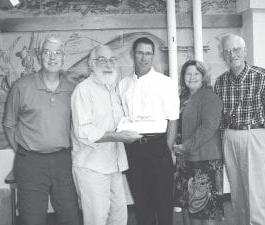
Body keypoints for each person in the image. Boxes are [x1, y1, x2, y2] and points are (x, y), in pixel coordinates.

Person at [3, 37, 81, 225]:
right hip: (30, 164)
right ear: (39, 56)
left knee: (71, 217)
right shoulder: (22, 87)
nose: (52, 57)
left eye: (57, 52)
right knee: (32, 219)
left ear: (64, 57)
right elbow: (8, 124)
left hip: (63, 162)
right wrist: (23, 151)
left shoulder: (72, 89)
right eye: (47, 52)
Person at [71, 45, 142, 225]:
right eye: (102, 60)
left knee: (119, 217)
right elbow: (83, 131)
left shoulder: (113, 90)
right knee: (97, 220)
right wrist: (119, 137)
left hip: (114, 165)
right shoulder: (83, 90)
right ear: (91, 64)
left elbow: (118, 123)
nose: (108, 64)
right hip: (92, 168)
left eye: (112, 60)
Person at [214, 34, 265, 225]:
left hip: (255, 136)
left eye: (235, 49)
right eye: (227, 51)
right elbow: (219, 121)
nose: (231, 54)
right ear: (222, 56)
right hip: (229, 138)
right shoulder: (220, 82)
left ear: (244, 51)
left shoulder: (261, 76)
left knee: (257, 195)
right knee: (238, 194)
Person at [118, 37, 180, 225]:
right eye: (140, 53)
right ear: (132, 54)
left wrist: (166, 149)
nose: (144, 58)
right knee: (142, 205)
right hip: (133, 149)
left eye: (148, 53)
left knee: (163, 204)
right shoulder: (123, 85)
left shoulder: (165, 82)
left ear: (153, 56)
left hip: (158, 147)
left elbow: (173, 119)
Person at [173, 60, 224, 225]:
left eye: (196, 74)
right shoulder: (182, 98)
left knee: (206, 210)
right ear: (183, 77)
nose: (192, 77)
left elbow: (208, 128)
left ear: (203, 77)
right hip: (185, 159)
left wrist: (185, 146)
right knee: (190, 206)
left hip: (204, 159)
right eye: (188, 73)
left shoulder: (210, 97)